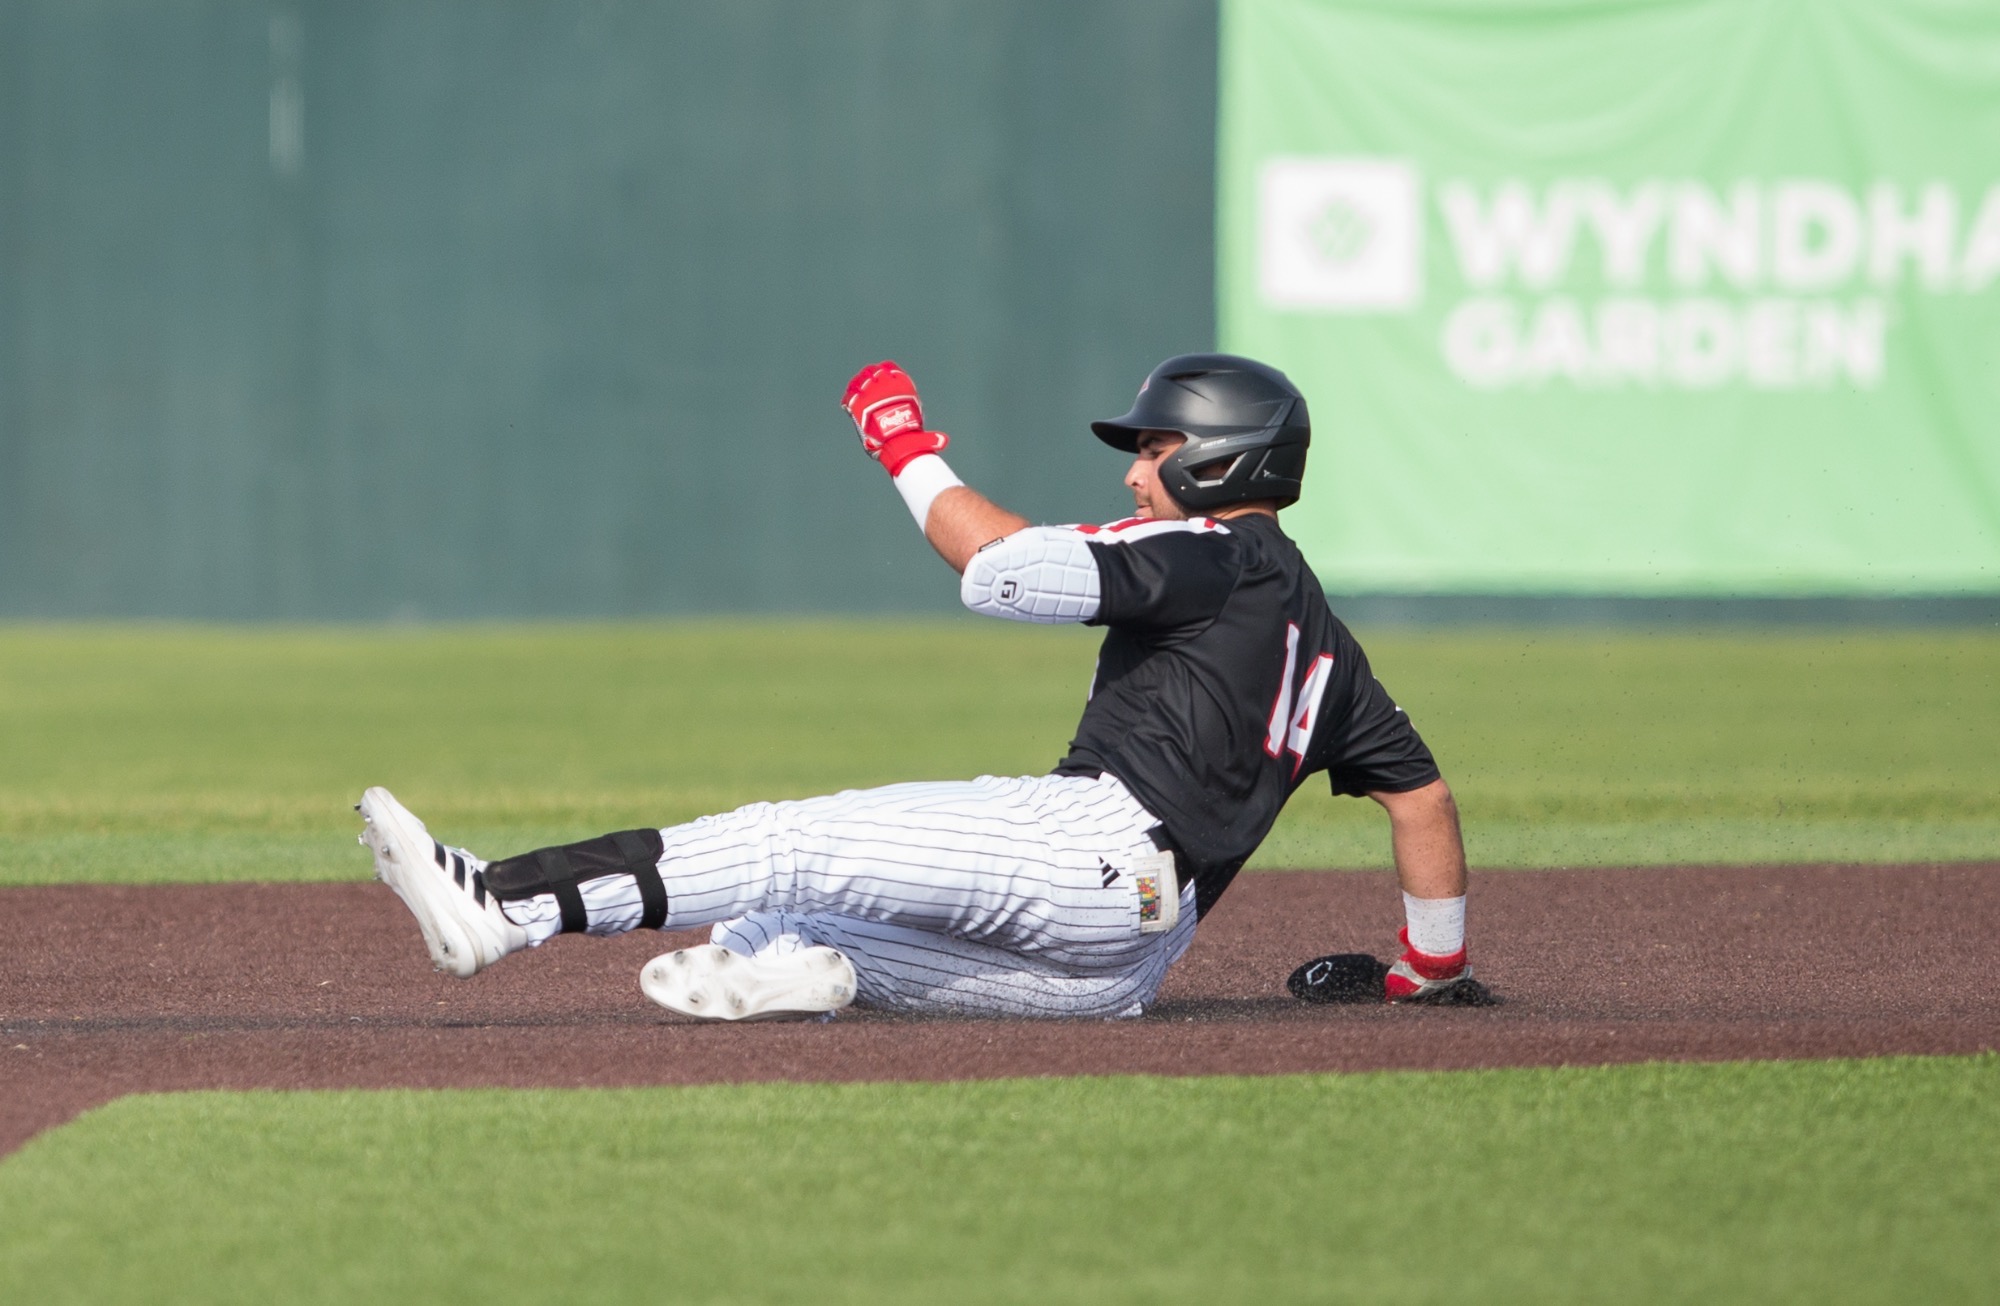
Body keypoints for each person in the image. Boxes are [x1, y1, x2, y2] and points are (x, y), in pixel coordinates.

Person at [358, 353, 1482, 1020]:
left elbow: (997, 572)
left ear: (1218, 461)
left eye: (1154, 446)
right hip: (1127, 965)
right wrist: (1427, 972)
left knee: (785, 840)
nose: (1134, 467)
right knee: (777, 920)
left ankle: (498, 906)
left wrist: (901, 441)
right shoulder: (1326, 641)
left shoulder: (1210, 554)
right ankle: (810, 976)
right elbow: (1419, 798)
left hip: (1078, 848)